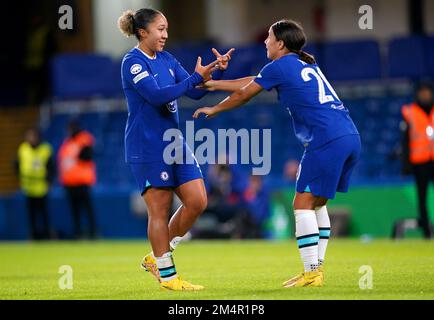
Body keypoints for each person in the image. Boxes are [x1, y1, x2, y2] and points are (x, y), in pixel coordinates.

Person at [194, 19, 361, 287]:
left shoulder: (280, 65)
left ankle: (311, 272)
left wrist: (215, 109)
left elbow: (246, 94)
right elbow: (255, 82)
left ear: (280, 43)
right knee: (317, 204)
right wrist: (214, 85)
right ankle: (315, 270)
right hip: (348, 135)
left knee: (302, 205)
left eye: (269, 37)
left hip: (326, 138)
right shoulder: (303, 63)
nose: (265, 41)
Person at [118, 8, 234, 291]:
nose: (165, 35)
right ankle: (168, 278)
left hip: (174, 143)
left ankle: (156, 257)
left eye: (167, 28)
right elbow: (158, 95)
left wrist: (209, 73)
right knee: (158, 210)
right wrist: (193, 79)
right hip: (147, 144)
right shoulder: (132, 63)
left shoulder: (167, 59)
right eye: (160, 29)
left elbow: (193, 90)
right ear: (142, 32)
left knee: (197, 201)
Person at [399, 82, 434, 239]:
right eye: (422, 92)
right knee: (422, 198)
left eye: (427, 92)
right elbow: (405, 142)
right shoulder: (409, 112)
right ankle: (427, 232)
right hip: (420, 162)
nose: (425, 95)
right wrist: (406, 165)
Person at [58, 121, 97, 239]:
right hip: (69, 182)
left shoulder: (84, 138)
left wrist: (76, 157)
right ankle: (78, 233)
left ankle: (92, 233)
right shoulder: (67, 142)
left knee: (87, 209)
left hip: (82, 181)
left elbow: (87, 155)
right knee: (75, 211)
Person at [16, 128, 54, 240]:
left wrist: (49, 182)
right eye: (29, 136)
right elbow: (16, 165)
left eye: (33, 136)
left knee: (44, 215)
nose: (31, 138)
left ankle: (47, 236)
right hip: (28, 188)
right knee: (31, 215)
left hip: (41, 187)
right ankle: (33, 236)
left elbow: (51, 167)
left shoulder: (45, 149)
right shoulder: (23, 149)